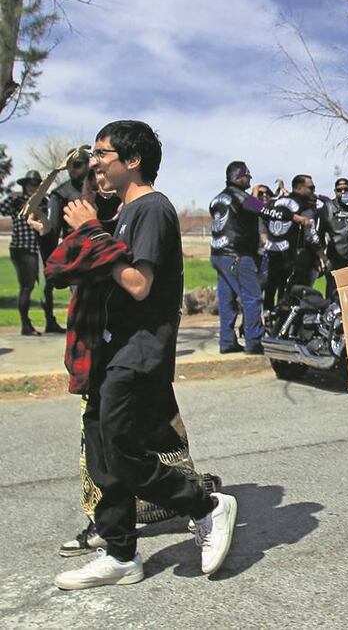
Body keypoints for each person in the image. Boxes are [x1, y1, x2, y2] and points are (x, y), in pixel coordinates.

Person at [53, 120, 237, 590]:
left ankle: (204, 504)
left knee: (120, 450)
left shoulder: (152, 209)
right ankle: (120, 555)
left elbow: (138, 284)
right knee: (100, 453)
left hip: (138, 350)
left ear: (132, 161)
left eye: (102, 154)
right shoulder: (121, 214)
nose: (94, 163)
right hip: (108, 347)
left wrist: (93, 233)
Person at [209, 161, 297, 354]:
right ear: (238, 177)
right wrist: (290, 214)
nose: (250, 178)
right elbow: (268, 211)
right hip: (238, 255)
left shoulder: (216, 199)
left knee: (227, 300)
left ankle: (226, 342)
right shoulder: (242, 197)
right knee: (252, 298)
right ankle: (254, 342)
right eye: (247, 174)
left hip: (218, 255)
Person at [37, 149, 92, 333]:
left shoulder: (104, 188)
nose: (72, 170)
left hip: (104, 250)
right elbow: (52, 232)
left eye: (77, 165)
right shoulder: (60, 194)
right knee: (81, 302)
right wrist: (53, 264)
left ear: (88, 163)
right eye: (69, 166)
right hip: (78, 256)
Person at [262, 174, 324, 311]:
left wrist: (264, 238)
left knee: (270, 288)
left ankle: (268, 317)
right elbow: (310, 235)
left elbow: (262, 216)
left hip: (272, 252)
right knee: (287, 293)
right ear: (300, 187)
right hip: (290, 257)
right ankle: (282, 322)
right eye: (311, 188)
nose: (313, 191)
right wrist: (322, 256)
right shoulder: (304, 206)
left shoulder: (276, 202)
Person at [0, 170, 47, 335]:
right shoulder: (16, 201)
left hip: (34, 248)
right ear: (25, 185)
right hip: (22, 248)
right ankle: (26, 325)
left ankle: (29, 323)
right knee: (27, 286)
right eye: (31, 184)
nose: (33, 187)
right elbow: (2, 208)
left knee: (32, 285)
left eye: (36, 184)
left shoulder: (43, 202)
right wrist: (10, 198)